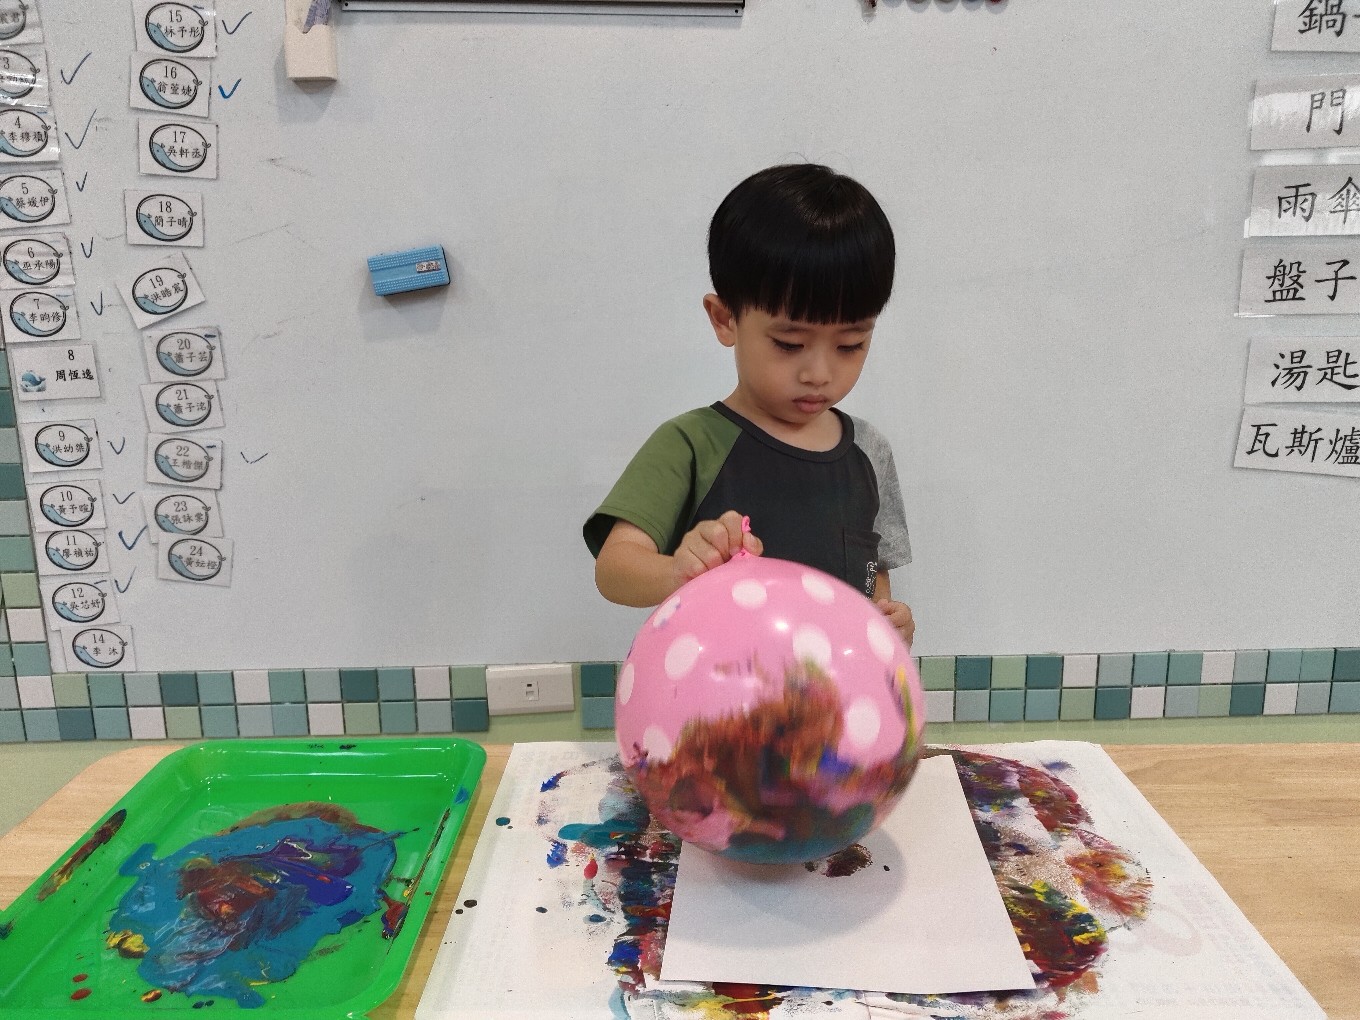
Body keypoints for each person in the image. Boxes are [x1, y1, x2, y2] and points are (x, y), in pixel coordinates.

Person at [583, 163, 915, 645]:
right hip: (720, 688)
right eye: (788, 343)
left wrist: (888, 622)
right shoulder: (691, 443)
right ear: (725, 319)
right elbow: (614, 569)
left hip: (834, 688)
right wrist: (679, 570)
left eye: (850, 345)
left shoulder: (869, 449)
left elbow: (873, 573)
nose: (819, 373)